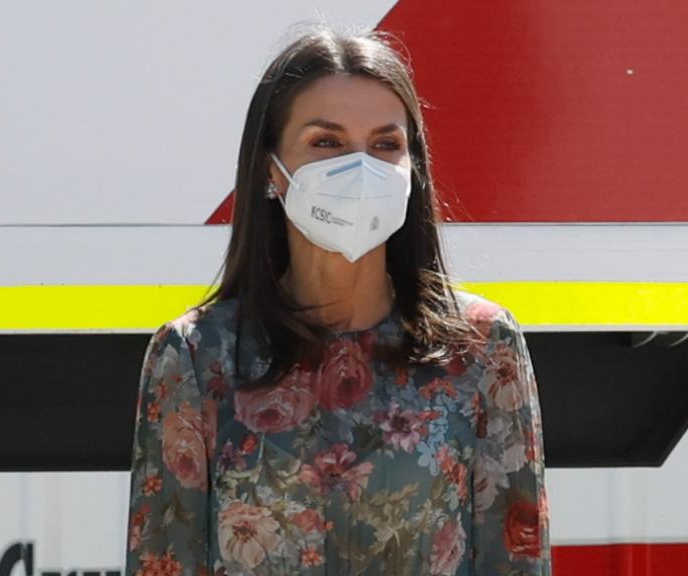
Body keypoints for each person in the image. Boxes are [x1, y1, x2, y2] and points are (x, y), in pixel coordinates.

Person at [125, 24, 550, 576]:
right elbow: (163, 561)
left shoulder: (482, 347)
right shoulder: (195, 356)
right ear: (268, 171)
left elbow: (516, 561)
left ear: (413, 168)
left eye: (385, 144)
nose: (361, 168)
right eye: (326, 142)